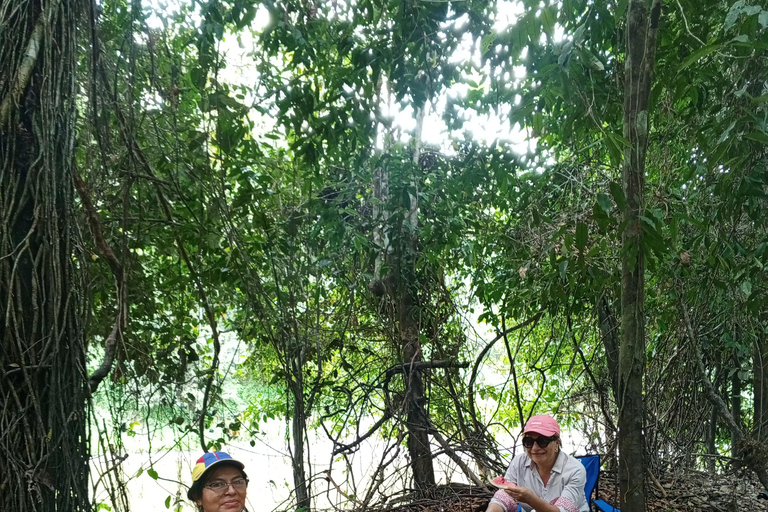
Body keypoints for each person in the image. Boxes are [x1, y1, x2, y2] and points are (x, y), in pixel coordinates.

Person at [486, 414, 588, 512]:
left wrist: (531, 499)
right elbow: (503, 498)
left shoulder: (575, 470)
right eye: (528, 442)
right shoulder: (519, 462)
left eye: (542, 441)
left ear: (557, 443)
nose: (535, 448)